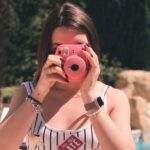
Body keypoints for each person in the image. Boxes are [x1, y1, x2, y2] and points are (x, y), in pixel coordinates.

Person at [0, 2, 135, 150]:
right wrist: (39, 94)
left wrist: (89, 98)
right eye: (60, 49)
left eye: (78, 48)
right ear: (48, 52)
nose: (71, 58)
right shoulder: (28, 93)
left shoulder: (112, 98)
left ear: (92, 49)